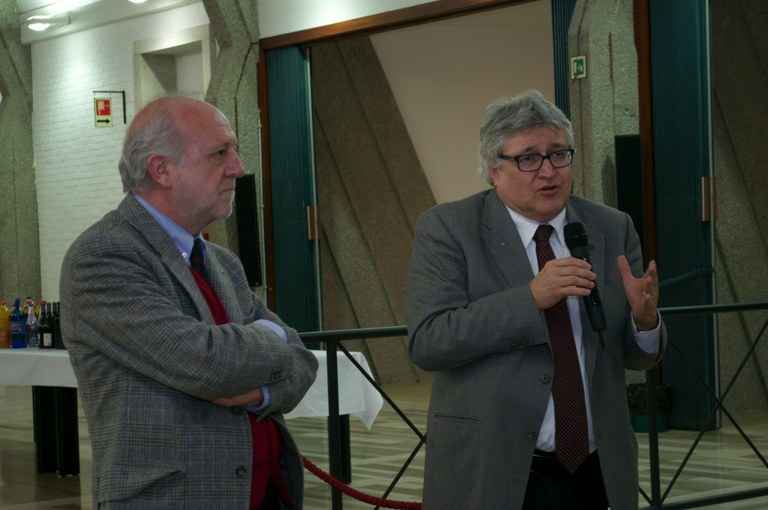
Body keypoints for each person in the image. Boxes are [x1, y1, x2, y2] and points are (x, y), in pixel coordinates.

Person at [406, 89, 666, 510]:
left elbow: (636, 358)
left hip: (597, 471)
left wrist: (644, 323)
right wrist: (530, 299)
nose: (549, 171)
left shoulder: (611, 227)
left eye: (559, 154)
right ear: (494, 170)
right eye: (528, 158)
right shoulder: (448, 229)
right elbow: (429, 341)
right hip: (494, 467)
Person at [60, 96, 319, 509]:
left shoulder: (222, 262)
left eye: (234, 151)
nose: (237, 168)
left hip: (269, 492)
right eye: (219, 153)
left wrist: (259, 394)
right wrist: (275, 336)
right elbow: (207, 363)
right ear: (161, 169)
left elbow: (304, 361)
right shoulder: (103, 257)